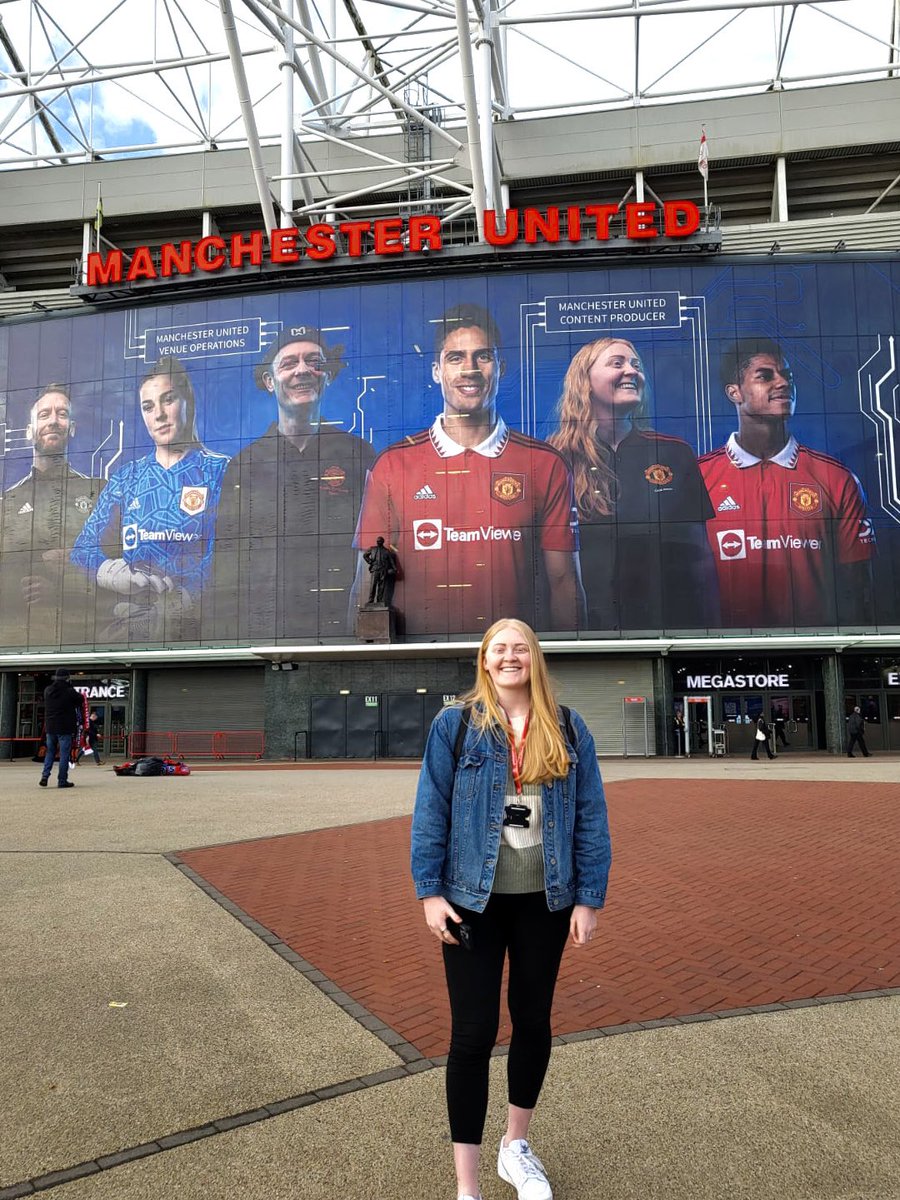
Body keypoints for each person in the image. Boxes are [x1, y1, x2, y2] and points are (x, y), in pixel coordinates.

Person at [411, 618, 611, 1200]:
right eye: (498, 648)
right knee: (472, 1035)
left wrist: (587, 898)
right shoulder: (456, 726)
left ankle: (515, 1147)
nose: (509, 656)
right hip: (471, 901)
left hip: (544, 902)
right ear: (484, 659)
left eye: (519, 647)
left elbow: (592, 820)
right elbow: (431, 811)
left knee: (532, 1021)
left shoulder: (568, 727)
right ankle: (466, 1184)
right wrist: (429, 892)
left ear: (535, 658)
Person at [354, 304, 585, 638]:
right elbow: (367, 582)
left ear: (501, 368)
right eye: (455, 358)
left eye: (483, 356)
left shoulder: (545, 463)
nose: (470, 369)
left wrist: (575, 666)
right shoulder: (392, 465)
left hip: (511, 660)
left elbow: (563, 581)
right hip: (416, 660)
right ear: (437, 371)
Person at [209, 326, 375, 641]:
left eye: (314, 361)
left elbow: (373, 549)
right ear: (269, 381)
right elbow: (227, 561)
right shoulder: (243, 465)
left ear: (328, 375)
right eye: (288, 364)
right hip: (262, 635)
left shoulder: (360, 455)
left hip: (341, 634)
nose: (302, 370)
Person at [699, 338, 876, 628]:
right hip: (719, 658)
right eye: (765, 376)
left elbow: (859, 588)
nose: (782, 383)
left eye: (787, 376)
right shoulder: (698, 476)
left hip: (817, 659)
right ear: (735, 392)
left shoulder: (835, 478)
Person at [549, 337, 719, 631]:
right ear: (584, 381)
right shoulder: (555, 459)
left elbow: (700, 560)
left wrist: (713, 635)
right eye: (618, 363)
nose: (631, 371)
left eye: (636, 365)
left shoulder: (674, 453)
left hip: (668, 630)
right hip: (587, 636)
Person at [71, 358, 228, 642]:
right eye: (148, 406)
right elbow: (82, 550)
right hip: (131, 626)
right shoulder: (127, 478)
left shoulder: (221, 471)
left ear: (187, 402)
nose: (159, 414)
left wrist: (187, 594)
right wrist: (115, 573)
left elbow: (230, 553)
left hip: (201, 627)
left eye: (168, 400)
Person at [0, 384, 106, 649]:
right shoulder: (8, 502)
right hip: (16, 645)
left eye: (61, 413)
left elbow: (117, 571)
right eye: (44, 414)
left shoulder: (99, 491)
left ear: (71, 428)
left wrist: (63, 586)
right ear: (28, 431)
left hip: (83, 643)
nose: (53, 421)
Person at [39, 667, 83, 788]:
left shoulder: (48, 690)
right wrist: (71, 687)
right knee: (64, 754)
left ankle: (45, 776)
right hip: (65, 727)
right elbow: (80, 700)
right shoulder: (69, 691)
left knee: (50, 752)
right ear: (67, 678)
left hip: (50, 727)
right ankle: (62, 780)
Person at [362, 536, 397, 606]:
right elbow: (365, 555)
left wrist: (394, 569)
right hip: (375, 569)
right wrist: (370, 561)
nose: (378, 542)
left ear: (382, 542)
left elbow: (391, 561)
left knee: (381, 586)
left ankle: (379, 600)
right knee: (373, 585)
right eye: (377, 541)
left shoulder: (386, 551)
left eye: (380, 541)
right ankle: (371, 600)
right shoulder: (372, 549)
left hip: (383, 570)